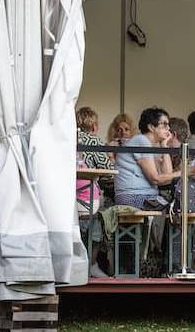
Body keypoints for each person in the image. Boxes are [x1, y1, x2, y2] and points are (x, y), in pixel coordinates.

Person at [113, 107, 182, 208]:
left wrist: (164, 145)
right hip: (134, 197)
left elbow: (167, 178)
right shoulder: (141, 141)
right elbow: (155, 179)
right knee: (178, 210)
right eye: (164, 124)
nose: (168, 128)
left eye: (168, 125)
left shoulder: (147, 144)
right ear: (151, 127)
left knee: (176, 208)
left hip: (142, 196)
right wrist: (184, 172)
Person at [75, 106, 114, 278]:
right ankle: (92, 263)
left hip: (65, 199)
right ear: (94, 126)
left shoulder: (67, 138)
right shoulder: (94, 141)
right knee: (103, 216)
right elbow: (108, 169)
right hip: (87, 198)